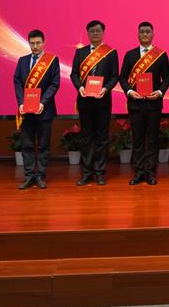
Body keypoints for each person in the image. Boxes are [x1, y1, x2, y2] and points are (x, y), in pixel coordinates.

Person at [120, 21, 169, 185]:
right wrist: (129, 91)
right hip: (135, 104)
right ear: (137, 35)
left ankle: (150, 172)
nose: (145, 34)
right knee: (138, 140)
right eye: (142, 32)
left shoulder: (160, 55)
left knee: (153, 139)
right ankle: (139, 172)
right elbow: (122, 77)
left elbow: (167, 78)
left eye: (148, 32)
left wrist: (160, 92)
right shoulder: (130, 55)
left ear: (153, 34)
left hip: (153, 104)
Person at [69, 20, 119, 186]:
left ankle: (99, 172)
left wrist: (105, 89)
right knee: (86, 137)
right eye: (92, 31)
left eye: (98, 31)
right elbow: (74, 74)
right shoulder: (81, 52)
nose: (95, 33)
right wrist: (80, 87)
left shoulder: (111, 53)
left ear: (103, 32)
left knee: (102, 137)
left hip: (102, 101)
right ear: (88, 33)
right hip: (85, 100)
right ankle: (86, 172)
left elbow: (114, 76)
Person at [12, 29, 60, 189]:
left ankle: (40, 175)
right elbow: (17, 82)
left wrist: (42, 102)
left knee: (43, 145)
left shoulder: (52, 60)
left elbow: (55, 84)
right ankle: (29, 176)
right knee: (27, 144)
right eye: (32, 43)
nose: (35, 46)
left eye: (38, 43)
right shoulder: (22, 61)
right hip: (26, 110)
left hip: (44, 110)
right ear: (29, 43)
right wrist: (21, 102)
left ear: (43, 43)